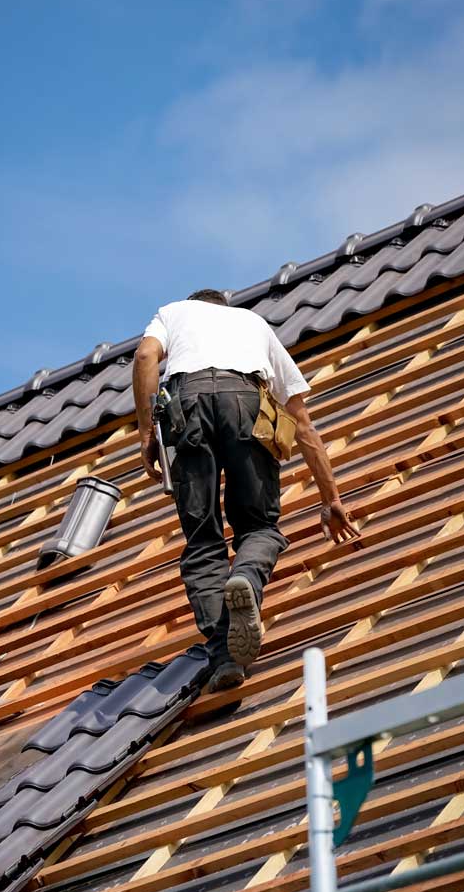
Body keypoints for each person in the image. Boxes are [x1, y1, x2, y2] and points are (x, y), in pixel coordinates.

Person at [133, 289, 359, 692]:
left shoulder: (173, 313)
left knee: (203, 541)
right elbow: (303, 424)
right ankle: (247, 584)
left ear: (195, 304)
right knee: (259, 527)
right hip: (247, 399)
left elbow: (145, 357)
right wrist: (332, 499)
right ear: (223, 306)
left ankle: (225, 656)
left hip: (186, 404)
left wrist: (148, 431)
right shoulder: (253, 324)